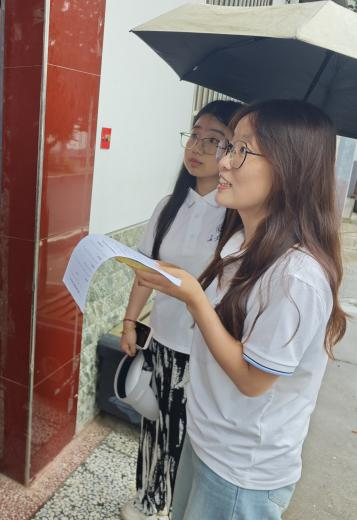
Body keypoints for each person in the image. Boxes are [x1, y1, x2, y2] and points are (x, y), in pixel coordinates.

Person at [135, 99, 346, 520]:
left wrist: (195, 298)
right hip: (207, 438)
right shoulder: (239, 244)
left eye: (241, 150)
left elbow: (252, 380)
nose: (224, 162)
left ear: (288, 168)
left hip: (242, 468)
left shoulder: (296, 276)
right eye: (230, 146)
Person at [120, 100, 242, 520]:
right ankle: (148, 499)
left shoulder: (235, 217)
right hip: (162, 340)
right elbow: (145, 272)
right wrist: (130, 322)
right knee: (153, 426)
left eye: (213, 140)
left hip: (204, 352)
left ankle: (177, 507)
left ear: (233, 151)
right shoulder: (169, 205)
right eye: (194, 135)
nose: (197, 147)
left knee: (185, 436)